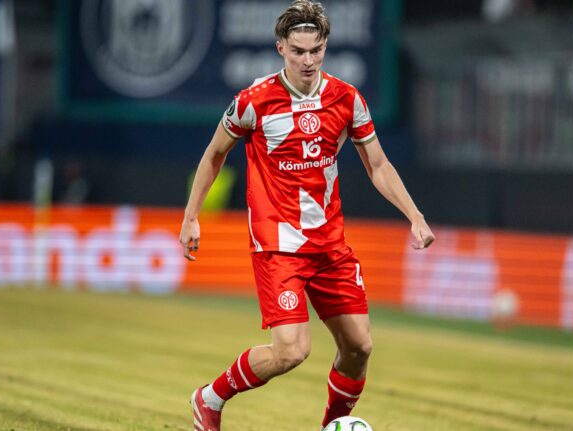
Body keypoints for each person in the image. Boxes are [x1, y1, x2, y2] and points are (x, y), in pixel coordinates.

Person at [178, 1, 435, 430]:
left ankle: (330, 427)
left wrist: (414, 215)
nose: (309, 60)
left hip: (330, 244)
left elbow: (378, 165)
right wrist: (191, 217)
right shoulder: (253, 102)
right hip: (279, 244)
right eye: (298, 51)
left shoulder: (346, 98)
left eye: (316, 50)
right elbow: (213, 156)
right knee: (292, 351)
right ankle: (210, 398)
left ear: (325, 46)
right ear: (281, 48)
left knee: (359, 347)